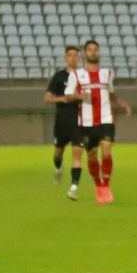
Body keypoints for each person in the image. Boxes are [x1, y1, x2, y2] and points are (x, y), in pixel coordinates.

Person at [63, 39, 132, 204]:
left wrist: (121, 103)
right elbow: (67, 95)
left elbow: (111, 92)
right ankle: (98, 185)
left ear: (99, 52)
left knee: (107, 149)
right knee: (92, 155)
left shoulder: (107, 73)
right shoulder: (75, 75)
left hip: (106, 118)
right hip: (86, 122)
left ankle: (106, 185)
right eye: (90, 50)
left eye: (96, 49)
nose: (93, 52)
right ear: (85, 54)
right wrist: (80, 96)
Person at [43, 45, 84, 192]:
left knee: (77, 152)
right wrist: (62, 99)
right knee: (58, 153)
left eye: (75, 55)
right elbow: (47, 98)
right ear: (65, 58)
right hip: (62, 121)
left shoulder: (84, 77)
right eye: (70, 55)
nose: (73, 57)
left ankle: (74, 186)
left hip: (79, 122)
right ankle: (59, 167)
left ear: (79, 58)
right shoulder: (59, 76)